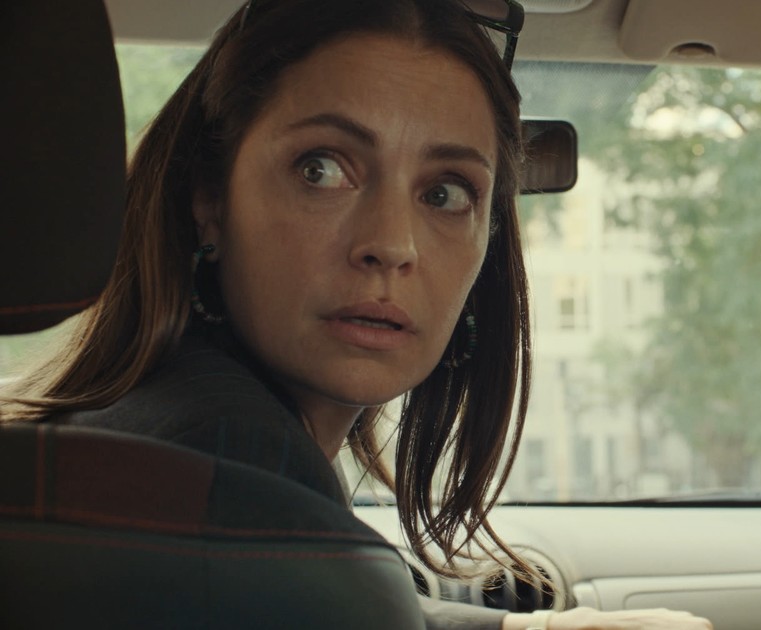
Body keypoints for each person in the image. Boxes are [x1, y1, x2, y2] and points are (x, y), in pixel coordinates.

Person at [0, 1, 710, 628]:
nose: (393, 245)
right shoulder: (235, 461)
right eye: (322, 169)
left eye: (445, 193)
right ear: (209, 200)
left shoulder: (162, 432)